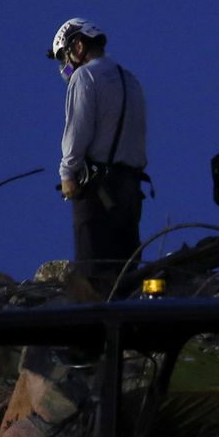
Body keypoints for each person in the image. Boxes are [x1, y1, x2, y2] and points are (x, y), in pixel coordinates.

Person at [50, 18, 148, 296]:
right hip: (130, 189)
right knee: (126, 274)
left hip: (96, 191)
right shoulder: (130, 79)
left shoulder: (84, 77)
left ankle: (98, 335)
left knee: (93, 275)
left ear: (78, 46)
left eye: (65, 57)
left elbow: (77, 132)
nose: (65, 66)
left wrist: (67, 174)